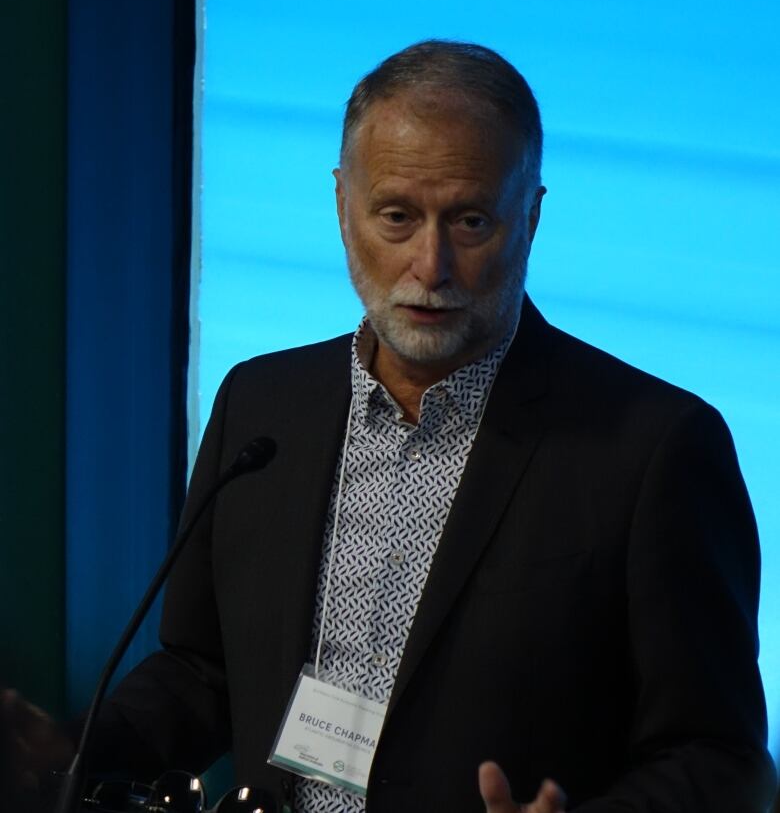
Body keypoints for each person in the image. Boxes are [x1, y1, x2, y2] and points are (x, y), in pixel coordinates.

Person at [2, 41, 776, 812]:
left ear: (531, 217)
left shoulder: (655, 449)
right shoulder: (262, 404)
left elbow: (721, 759)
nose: (430, 265)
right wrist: (70, 753)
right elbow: (204, 671)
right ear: (343, 207)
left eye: (471, 221)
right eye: (397, 216)